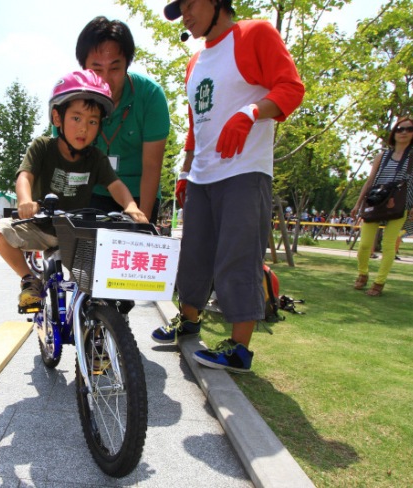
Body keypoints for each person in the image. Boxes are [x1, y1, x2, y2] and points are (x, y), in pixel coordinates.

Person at [153, 0, 305, 373]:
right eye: (180, 8)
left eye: (191, 4)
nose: (185, 14)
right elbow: (196, 123)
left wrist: (251, 112)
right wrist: (186, 171)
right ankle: (188, 322)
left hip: (244, 171)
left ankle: (239, 349)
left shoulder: (254, 34)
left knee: (237, 258)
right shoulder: (194, 62)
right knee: (194, 256)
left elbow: (291, 88)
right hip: (203, 174)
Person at [0, 70, 148, 308]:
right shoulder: (43, 146)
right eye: (76, 118)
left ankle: (99, 324)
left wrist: (131, 206)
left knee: (93, 289)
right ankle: (30, 280)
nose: (84, 128)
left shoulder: (95, 157)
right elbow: (25, 176)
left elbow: (116, 185)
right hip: (40, 225)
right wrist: (25, 200)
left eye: (92, 121)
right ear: (57, 118)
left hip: (76, 232)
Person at [74, 16, 170, 223]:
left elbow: (152, 166)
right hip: (91, 192)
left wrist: (143, 222)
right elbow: (66, 164)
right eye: (97, 70)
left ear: (127, 64)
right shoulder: (70, 100)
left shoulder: (150, 96)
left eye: (115, 68)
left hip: (138, 193)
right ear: (83, 67)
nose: (106, 79)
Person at [350, 117, 413, 295]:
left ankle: (379, 282)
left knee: (389, 244)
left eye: (408, 129)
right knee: (364, 245)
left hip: (400, 202)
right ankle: (363, 273)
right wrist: (358, 203)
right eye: (400, 129)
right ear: (394, 132)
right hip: (376, 201)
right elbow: (370, 180)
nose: (403, 132)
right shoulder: (382, 155)